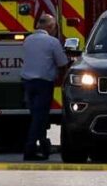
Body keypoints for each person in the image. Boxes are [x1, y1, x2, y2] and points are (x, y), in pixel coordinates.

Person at [20, 14, 70, 161]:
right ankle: (29, 149)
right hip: (43, 83)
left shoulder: (28, 40)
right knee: (39, 117)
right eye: (55, 27)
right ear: (50, 27)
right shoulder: (52, 42)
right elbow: (62, 63)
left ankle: (43, 146)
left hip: (28, 83)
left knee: (37, 116)